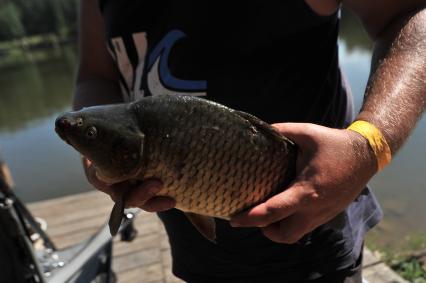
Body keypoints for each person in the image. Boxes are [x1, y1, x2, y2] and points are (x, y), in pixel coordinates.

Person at [74, 1, 426, 282]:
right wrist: (95, 155)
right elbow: (95, 75)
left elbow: (412, 14)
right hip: (197, 257)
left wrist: (369, 144)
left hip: (315, 252)